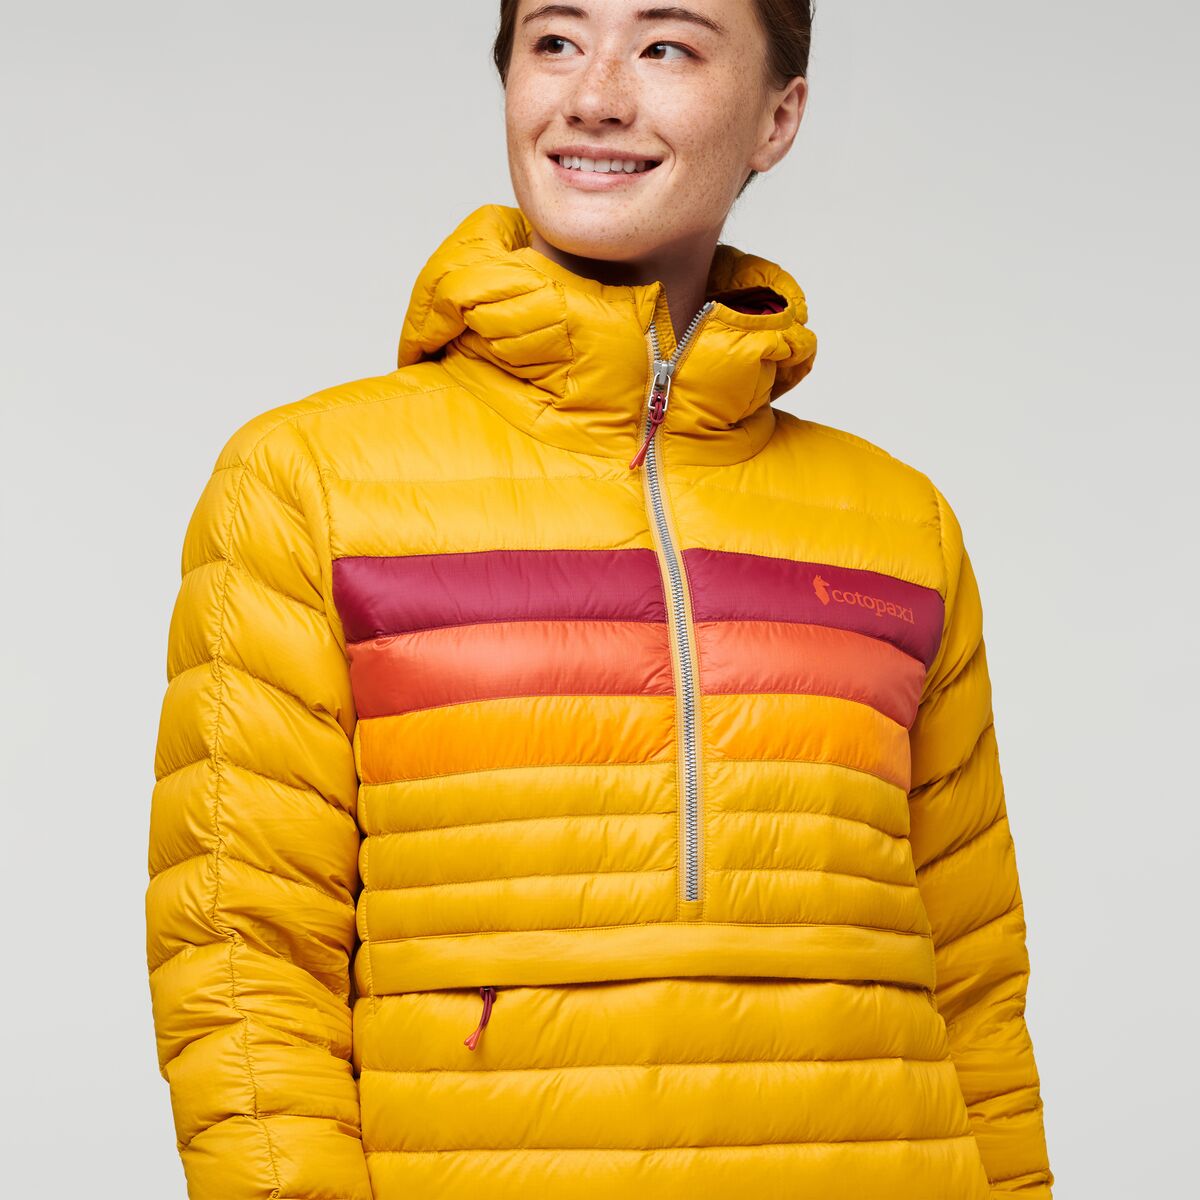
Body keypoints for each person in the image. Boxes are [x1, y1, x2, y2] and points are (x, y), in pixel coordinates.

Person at [144, 2, 1055, 1197]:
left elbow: (976, 987)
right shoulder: (309, 483)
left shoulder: (902, 525)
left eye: (666, 45)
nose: (594, 97)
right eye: (556, 41)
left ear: (778, 118)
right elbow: (242, 961)